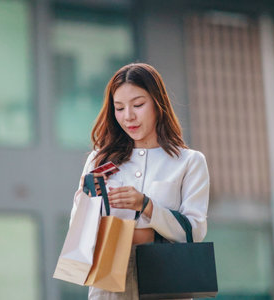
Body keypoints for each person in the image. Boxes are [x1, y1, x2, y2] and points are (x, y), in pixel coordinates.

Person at [70, 63, 210, 299]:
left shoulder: (189, 162)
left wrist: (147, 205)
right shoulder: (99, 160)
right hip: (108, 283)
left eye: (138, 105)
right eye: (119, 108)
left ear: (158, 103)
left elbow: (194, 231)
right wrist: (88, 195)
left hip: (166, 280)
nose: (129, 116)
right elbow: (79, 232)